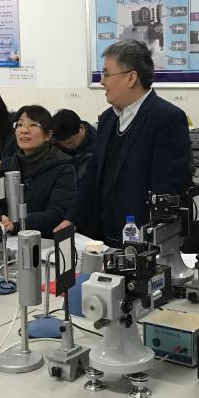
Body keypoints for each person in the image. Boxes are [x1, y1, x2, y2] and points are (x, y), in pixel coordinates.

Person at [55, 40, 190, 247]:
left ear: (131, 78)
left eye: (107, 74)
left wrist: (152, 241)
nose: (102, 82)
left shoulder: (166, 119)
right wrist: (72, 219)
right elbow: (92, 176)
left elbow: (166, 190)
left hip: (142, 241)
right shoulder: (108, 119)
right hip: (103, 237)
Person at [0, 106, 77, 238]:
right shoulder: (9, 164)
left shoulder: (63, 167)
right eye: (20, 125)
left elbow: (57, 213)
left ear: (48, 135)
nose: (24, 130)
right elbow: (0, 205)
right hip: (11, 239)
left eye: (33, 125)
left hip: (46, 241)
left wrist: (18, 223)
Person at [52, 108, 97, 183]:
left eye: (71, 142)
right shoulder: (52, 139)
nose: (68, 146)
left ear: (81, 127)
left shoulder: (99, 146)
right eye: (63, 144)